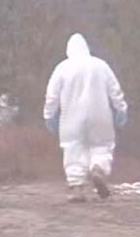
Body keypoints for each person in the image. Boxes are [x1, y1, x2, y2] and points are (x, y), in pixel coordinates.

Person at [43, 33, 128, 202]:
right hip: (100, 115)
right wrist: (121, 109)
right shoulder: (101, 65)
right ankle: (98, 170)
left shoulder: (62, 68)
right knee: (102, 145)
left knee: (73, 148)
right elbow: (114, 90)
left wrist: (49, 115)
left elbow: (52, 95)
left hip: (71, 118)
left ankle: (76, 188)